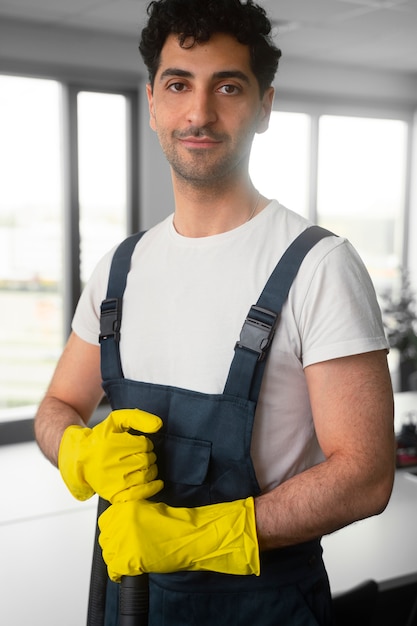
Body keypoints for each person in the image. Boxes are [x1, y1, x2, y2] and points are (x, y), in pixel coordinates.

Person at [34, 0, 395, 624]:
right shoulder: (119, 270)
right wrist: (77, 450)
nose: (199, 112)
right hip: (127, 597)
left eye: (227, 86)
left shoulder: (320, 266)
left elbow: (365, 476)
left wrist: (202, 537)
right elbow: (56, 407)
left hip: (264, 605)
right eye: (179, 84)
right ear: (152, 102)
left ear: (264, 106)